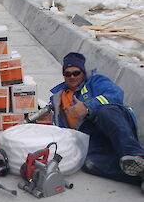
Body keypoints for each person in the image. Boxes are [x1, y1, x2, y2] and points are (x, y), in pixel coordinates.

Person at [50, 52, 144, 191]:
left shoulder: (96, 81)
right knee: (89, 163)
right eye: (67, 74)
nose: (72, 77)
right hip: (90, 137)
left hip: (110, 122)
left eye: (76, 72)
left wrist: (88, 108)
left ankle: (137, 155)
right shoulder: (57, 97)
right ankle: (139, 176)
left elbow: (116, 94)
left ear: (83, 71)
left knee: (106, 112)